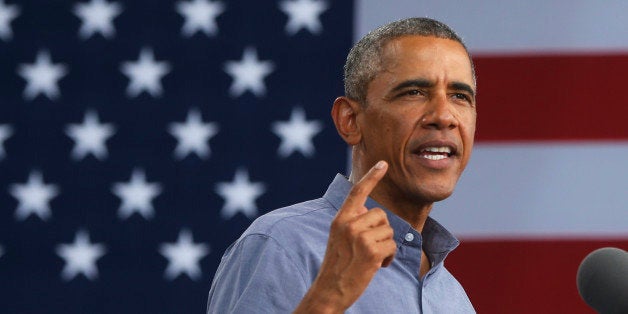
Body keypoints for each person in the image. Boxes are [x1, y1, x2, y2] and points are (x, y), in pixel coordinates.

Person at [207, 17, 477, 313]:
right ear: (350, 120)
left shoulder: (453, 297)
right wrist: (328, 298)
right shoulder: (281, 245)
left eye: (460, 96)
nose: (444, 115)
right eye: (413, 92)